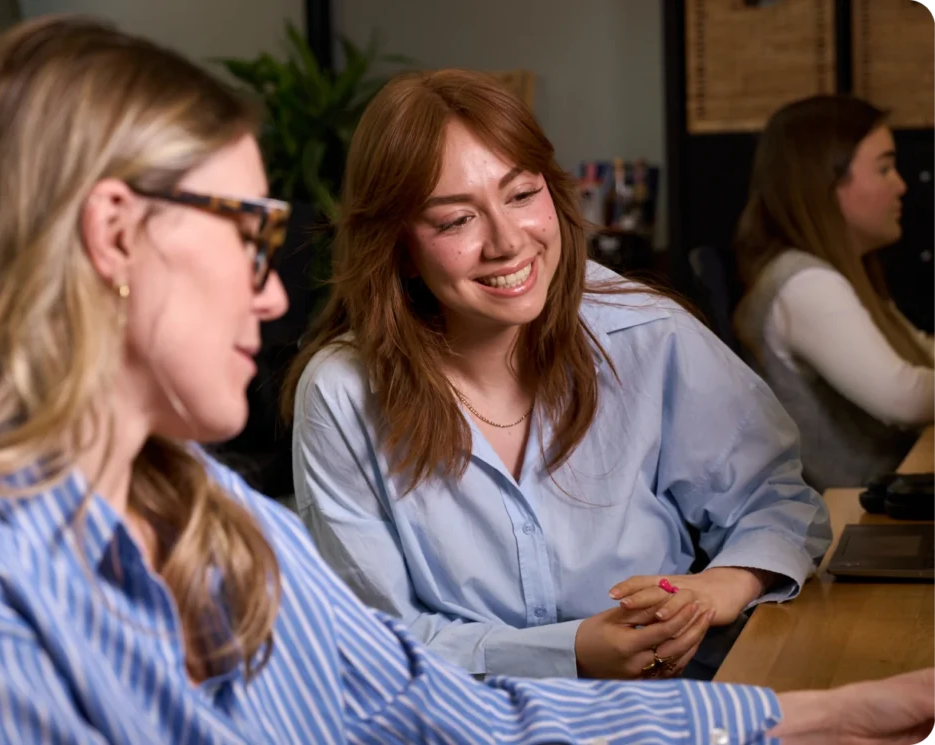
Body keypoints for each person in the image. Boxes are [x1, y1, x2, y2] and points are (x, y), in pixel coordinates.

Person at [0, 16, 934, 745]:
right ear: (113, 233)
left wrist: (820, 713)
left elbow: (446, 706)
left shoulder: (208, 505)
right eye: (249, 229)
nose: (270, 300)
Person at [285, 69, 831, 684]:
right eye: (455, 220)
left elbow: (776, 499)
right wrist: (567, 651)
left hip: (662, 706)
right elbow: (374, 641)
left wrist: (721, 587)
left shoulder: (641, 329)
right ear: (398, 248)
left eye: (521, 195)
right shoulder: (344, 393)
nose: (507, 242)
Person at [733, 95, 935, 491]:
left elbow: (921, 349)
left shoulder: (834, 271)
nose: (901, 185)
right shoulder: (804, 283)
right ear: (825, 182)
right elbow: (905, 398)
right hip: (854, 517)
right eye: (885, 168)